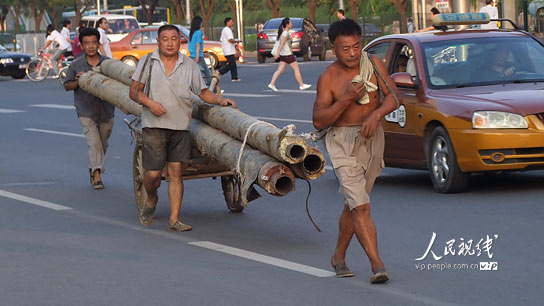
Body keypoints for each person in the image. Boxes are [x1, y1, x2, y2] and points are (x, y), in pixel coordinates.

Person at [312, 18, 401, 283]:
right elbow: (319, 120)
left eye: (356, 46)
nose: (352, 53)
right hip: (342, 142)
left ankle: (338, 257)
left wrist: (375, 115)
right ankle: (377, 265)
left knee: (354, 202)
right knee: (361, 206)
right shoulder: (328, 78)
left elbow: (395, 97)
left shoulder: (373, 64)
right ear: (333, 49)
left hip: (372, 138)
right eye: (345, 48)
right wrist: (348, 97)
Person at [128, 25, 237, 232]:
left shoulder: (189, 65)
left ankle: (174, 219)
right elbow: (134, 92)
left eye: (174, 39)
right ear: (158, 42)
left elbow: (203, 92)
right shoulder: (147, 62)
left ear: (180, 42)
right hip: (154, 125)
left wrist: (220, 101)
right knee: (152, 174)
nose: (170, 43)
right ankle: (151, 199)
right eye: (165, 39)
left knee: (176, 171)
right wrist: (151, 104)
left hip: (180, 126)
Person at [63, 28, 115, 190]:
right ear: (82, 45)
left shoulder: (108, 64)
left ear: (99, 44)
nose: (91, 46)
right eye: (87, 44)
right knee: (94, 143)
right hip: (85, 109)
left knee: (102, 143)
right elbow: (67, 86)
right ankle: (97, 174)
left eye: (94, 43)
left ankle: (94, 168)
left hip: (106, 109)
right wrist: (80, 81)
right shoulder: (76, 64)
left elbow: (118, 86)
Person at [267, 18, 311, 92]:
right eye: (290, 23)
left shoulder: (283, 33)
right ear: (287, 25)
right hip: (288, 54)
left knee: (280, 70)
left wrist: (279, 54)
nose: (291, 24)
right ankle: (301, 85)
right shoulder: (285, 34)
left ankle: (272, 84)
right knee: (296, 69)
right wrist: (277, 54)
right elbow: (282, 44)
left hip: (283, 55)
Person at [188, 16, 212, 82]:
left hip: (191, 56)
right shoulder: (198, 32)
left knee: (192, 73)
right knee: (207, 72)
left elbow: (192, 45)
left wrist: (203, 54)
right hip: (198, 57)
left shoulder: (191, 33)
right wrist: (198, 57)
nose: (201, 24)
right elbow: (197, 45)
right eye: (201, 23)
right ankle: (213, 89)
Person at [217, 17, 241, 82]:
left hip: (227, 49)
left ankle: (234, 77)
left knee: (233, 64)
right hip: (229, 50)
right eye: (231, 21)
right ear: (227, 22)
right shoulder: (228, 30)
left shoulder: (224, 30)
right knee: (231, 64)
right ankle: (220, 71)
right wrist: (236, 41)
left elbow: (222, 39)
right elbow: (230, 39)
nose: (232, 23)